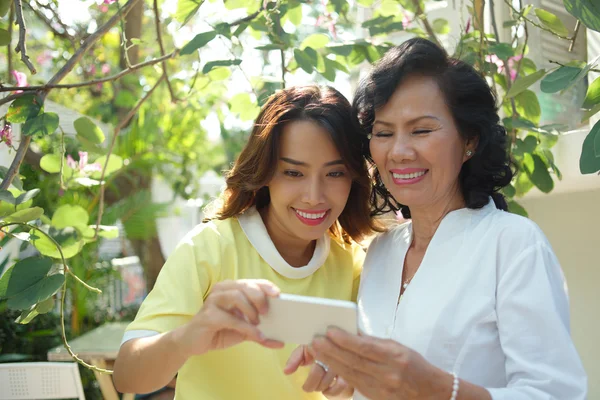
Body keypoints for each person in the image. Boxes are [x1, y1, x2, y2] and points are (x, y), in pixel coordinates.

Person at [286, 38, 588, 399]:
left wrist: (441, 388)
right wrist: (347, 369)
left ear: (469, 141)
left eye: (422, 130)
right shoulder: (381, 251)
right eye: (383, 133)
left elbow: (556, 393)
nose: (399, 152)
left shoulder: (513, 244)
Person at [112, 85, 380, 400]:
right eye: (293, 173)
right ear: (265, 173)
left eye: (335, 174)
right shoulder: (209, 248)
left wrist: (349, 374)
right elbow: (127, 377)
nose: (314, 196)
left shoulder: (353, 263)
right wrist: (190, 336)